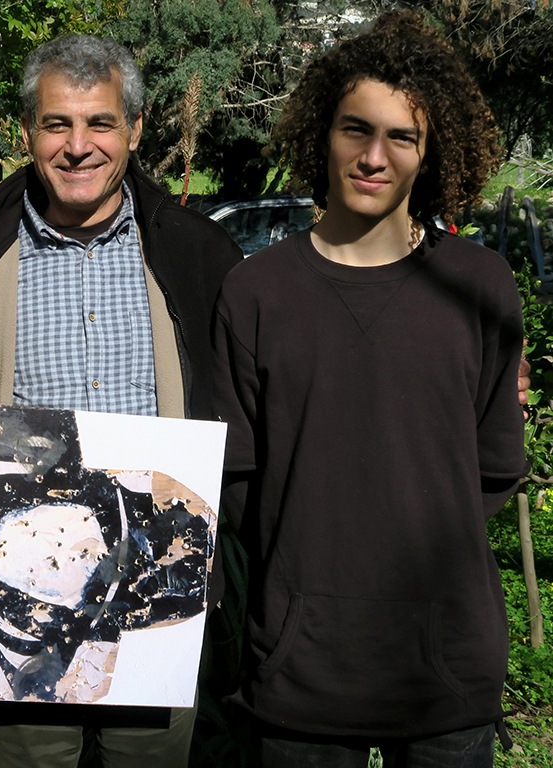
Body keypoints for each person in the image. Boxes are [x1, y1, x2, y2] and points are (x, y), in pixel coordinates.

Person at [0, 34, 242, 767]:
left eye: (99, 123)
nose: (77, 146)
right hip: (15, 598)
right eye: (57, 124)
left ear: (135, 130)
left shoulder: (196, 256)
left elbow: (268, 381)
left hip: (158, 594)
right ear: (26, 133)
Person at [212, 11, 526, 765]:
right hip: (300, 671)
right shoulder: (257, 291)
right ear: (322, 133)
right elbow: (239, 485)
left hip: (444, 667)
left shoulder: (478, 285)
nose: (373, 156)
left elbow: (490, 469)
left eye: (401, 137)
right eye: (356, 129)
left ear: (429, 152)